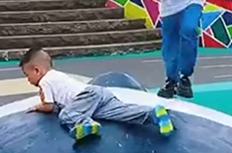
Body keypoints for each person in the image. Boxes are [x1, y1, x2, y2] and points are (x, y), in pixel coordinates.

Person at [20, 47, 174, 141]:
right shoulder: (57, 75)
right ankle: (153, 114)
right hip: (99, 93)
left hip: (86, 96)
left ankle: (86, 124)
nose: (28, 80)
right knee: (120, 112)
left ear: (37, 70)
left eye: (28, 75)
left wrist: (38, 106)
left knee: (67, 114)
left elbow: (49, 106)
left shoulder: (45, 81)